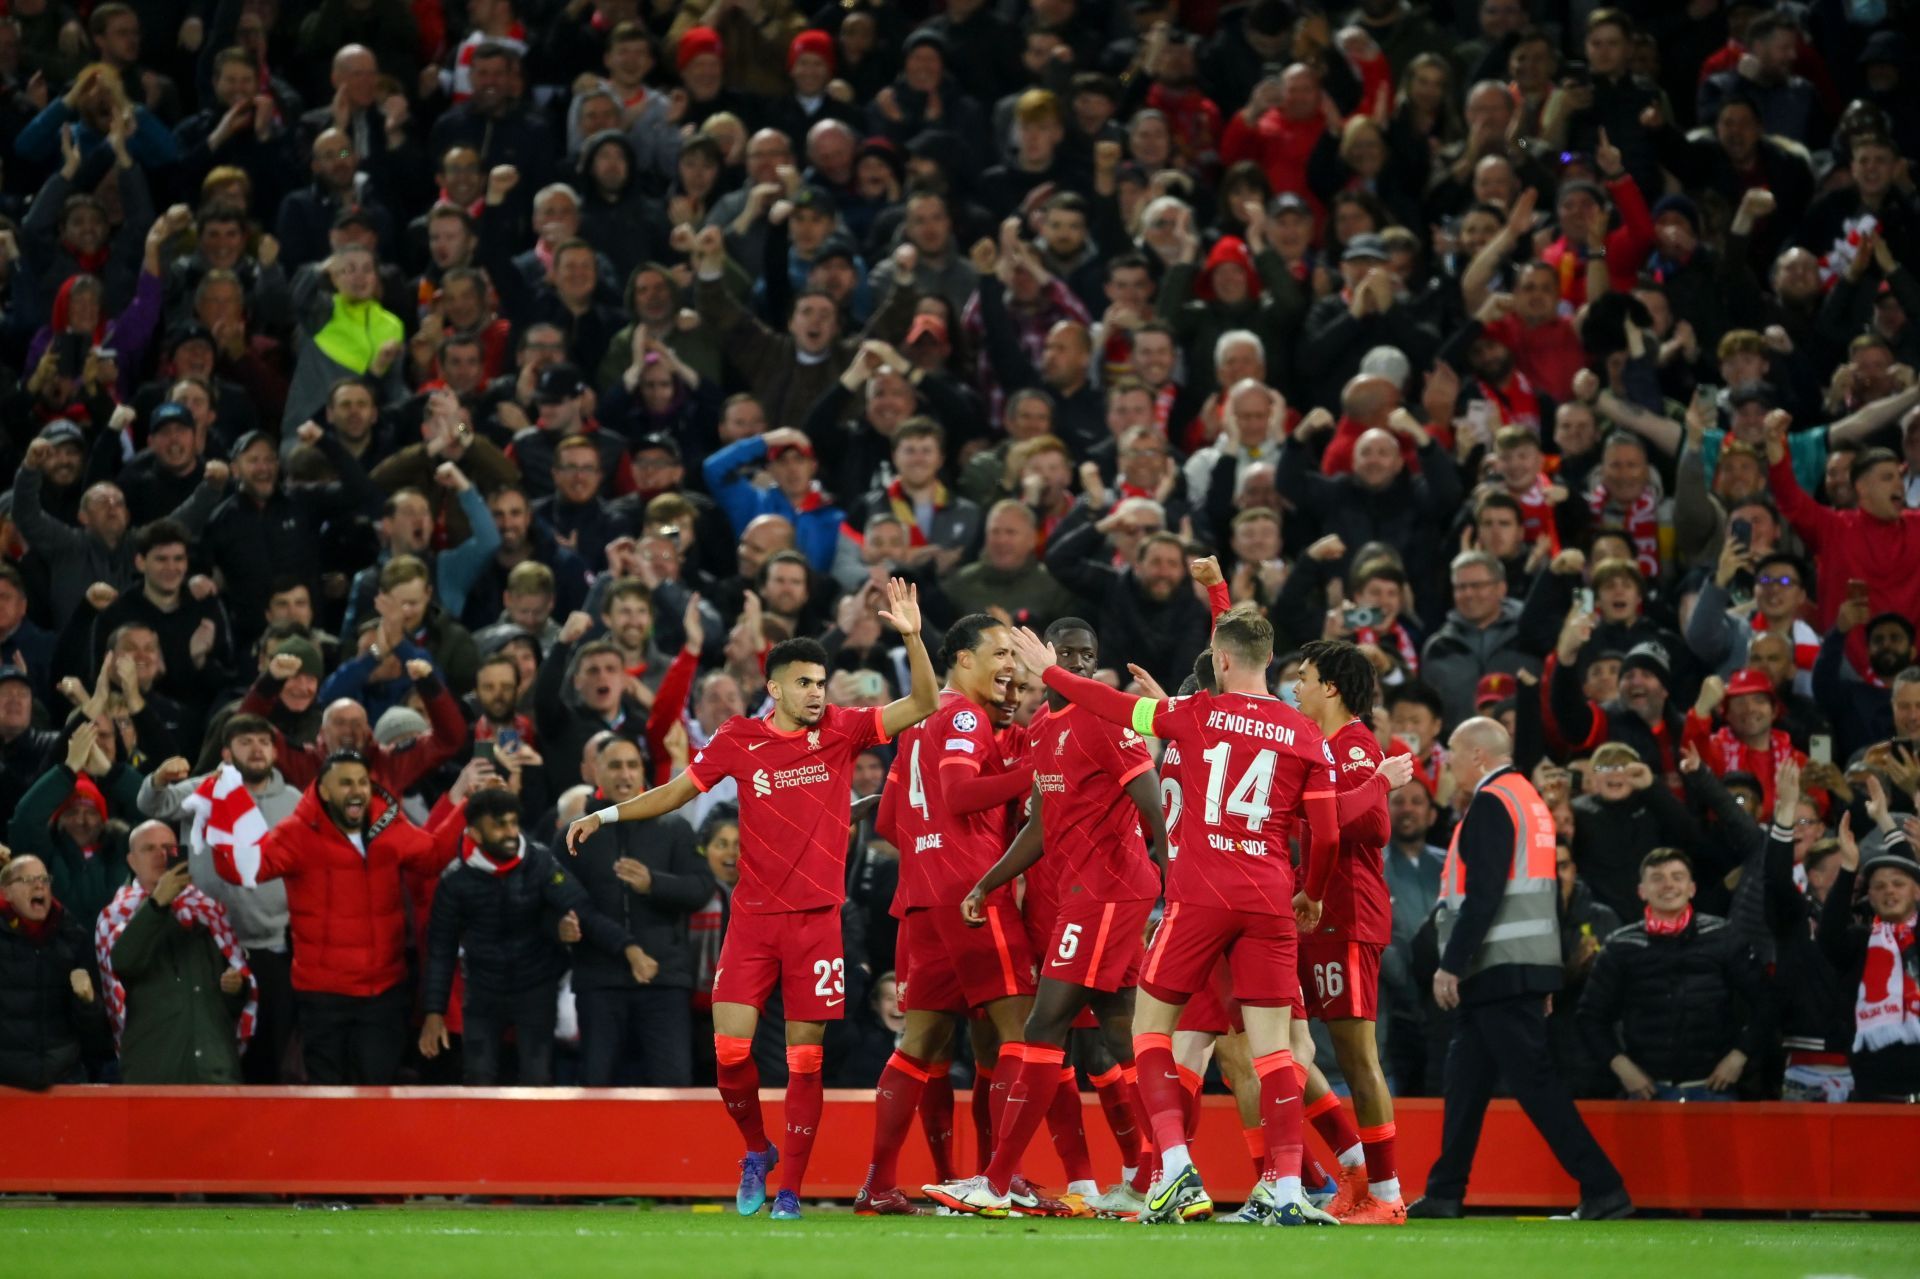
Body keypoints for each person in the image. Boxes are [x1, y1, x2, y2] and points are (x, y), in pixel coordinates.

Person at [565, 579, 938, 1221]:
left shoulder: (845, 730)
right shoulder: (740, 738)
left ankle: (790, 1188)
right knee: (730, 1056)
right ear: (776, 687)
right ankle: (757, 1151)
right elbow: (678, 792)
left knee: (803, 1059)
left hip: (818, 923)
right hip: (753, 923)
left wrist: (911, 633)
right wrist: (607, 816)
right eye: (805, 682)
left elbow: (925, 702)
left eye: (821, 681)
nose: (817, 692)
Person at [1005, 599, 1342, 1226]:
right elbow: (1325, 833)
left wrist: (1050, 673)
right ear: (1270, 660)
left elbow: (1110, 706)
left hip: (1201, 898)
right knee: (1276, 1054)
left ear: (1219, 660)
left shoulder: (1194, 713)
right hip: (1269, 899)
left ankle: (1176, 1171)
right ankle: (1288, 1187)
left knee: (1149, 1032)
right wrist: (1312, 892)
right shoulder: (1303, 731)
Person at [913, 617, 1170, 1218]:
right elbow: (1040, 826)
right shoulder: (1042, 728)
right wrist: (988, 881)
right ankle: (1162, 1174)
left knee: (1043, 1025)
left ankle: (998, 1183)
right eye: (1070, 655)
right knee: (1120, 1032)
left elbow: (1153, 800)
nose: (1081, 666)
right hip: (1087, 892)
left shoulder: (1106, 717)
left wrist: (1172, 881)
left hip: (1110, 891)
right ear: (1046, 656)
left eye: (1089, 656)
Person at [850, 612, 1053, 1215]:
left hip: (921, 897)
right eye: (998, 653)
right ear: (962, 659)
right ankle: (999, 1178)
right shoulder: (963, 715)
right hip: (972, 892)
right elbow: (961, 793)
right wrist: (1032, 775)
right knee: (1023, 1036)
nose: (1009, 666)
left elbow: (889, 821)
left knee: (918, 1045)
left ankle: (879, 1183)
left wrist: (931, 841)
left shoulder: (918, 721)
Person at [1410, 717, 1631, 1221]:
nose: (1446, 764)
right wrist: (1545, 969)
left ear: (1478, 757)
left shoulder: (1491, 803)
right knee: (1464, 1082)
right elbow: (1541, 892)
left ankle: (1604, 1186)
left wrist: (1451, 965)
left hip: (1496, 969)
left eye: (1452, 754)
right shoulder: (1528, 800)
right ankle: (1445, 1191)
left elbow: (1484, 895)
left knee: (1535, 1083)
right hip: (1514, 967)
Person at [207, 750, 471, 1084]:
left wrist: (467, 808)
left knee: (376, 1094)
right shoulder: (297, 834)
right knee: (328, 1099)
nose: (357, 790)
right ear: (324, 790)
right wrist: (219, 808)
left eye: (362, 782)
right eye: (345, 783)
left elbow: (432, 856)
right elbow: (242, 868)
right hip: (323, 997)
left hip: (383, 994)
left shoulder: (388, 823)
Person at [1290, 637, 1414, 1223]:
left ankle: (1387, 1195)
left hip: (1348, 913)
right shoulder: (1318, 744)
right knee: (1287, 1048)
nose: (1295, 686)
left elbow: (1369, 825)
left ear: (1331, 688)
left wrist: (1378, 783)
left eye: (1304, 676)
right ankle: (1356, 1169)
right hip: (1311, 912)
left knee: (1357, 1056)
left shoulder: (1356, 744)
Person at [421, 788, 645, 1086]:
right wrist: (434, 1011)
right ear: (474, 833)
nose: (510, 833)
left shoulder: (539, 862)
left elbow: (583, 910)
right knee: (478, 1079)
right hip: (483, 991)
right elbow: (441, 948)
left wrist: (627, 946)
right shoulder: (455, 879)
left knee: (537, 1081)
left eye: (513, 823)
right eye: (499, 825)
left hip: (535, 987)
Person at [566, 737, 719, 1086]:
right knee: (595, 1091)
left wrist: (655, 883)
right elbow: (565, 903)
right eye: (615, 765)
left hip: (664, 981)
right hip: (599, 981)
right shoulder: (573, 832)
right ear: (595, 772)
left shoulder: (674, 828)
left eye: (633, 765)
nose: (625, 774)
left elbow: (701, 888)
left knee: (673, 1090)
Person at [1576, 848, 1768, 1102]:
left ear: (1692, 888)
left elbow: (1766, 1002)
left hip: (1715, 1090)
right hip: (1646, 1092)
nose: (1668, 885)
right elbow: (1590, 1017)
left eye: (1677, 877)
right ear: (1642, 891)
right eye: (1657, 878)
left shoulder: (1724, 937)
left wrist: (1739, 1056)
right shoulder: (1620, 946)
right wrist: (1621, 1067)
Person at [95, 820, 252, 1083]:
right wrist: (157, 904)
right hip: (154, 1071)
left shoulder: (208, 912)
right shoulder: (116, 915)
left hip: (214, 1070)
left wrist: (236, 989)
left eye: (169, 847)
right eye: (149, 848)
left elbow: (231, 997)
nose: (162, 855)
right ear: (131, 861)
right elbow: (122, 963)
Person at [0, 854, 108, 1090]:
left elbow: (94, 1030)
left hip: (63, 1078)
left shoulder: (72, 937)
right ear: (6, 893)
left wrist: (88, 1002)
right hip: (6, 1084)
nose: (39, 885)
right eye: (27, 879)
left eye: (44, 879)